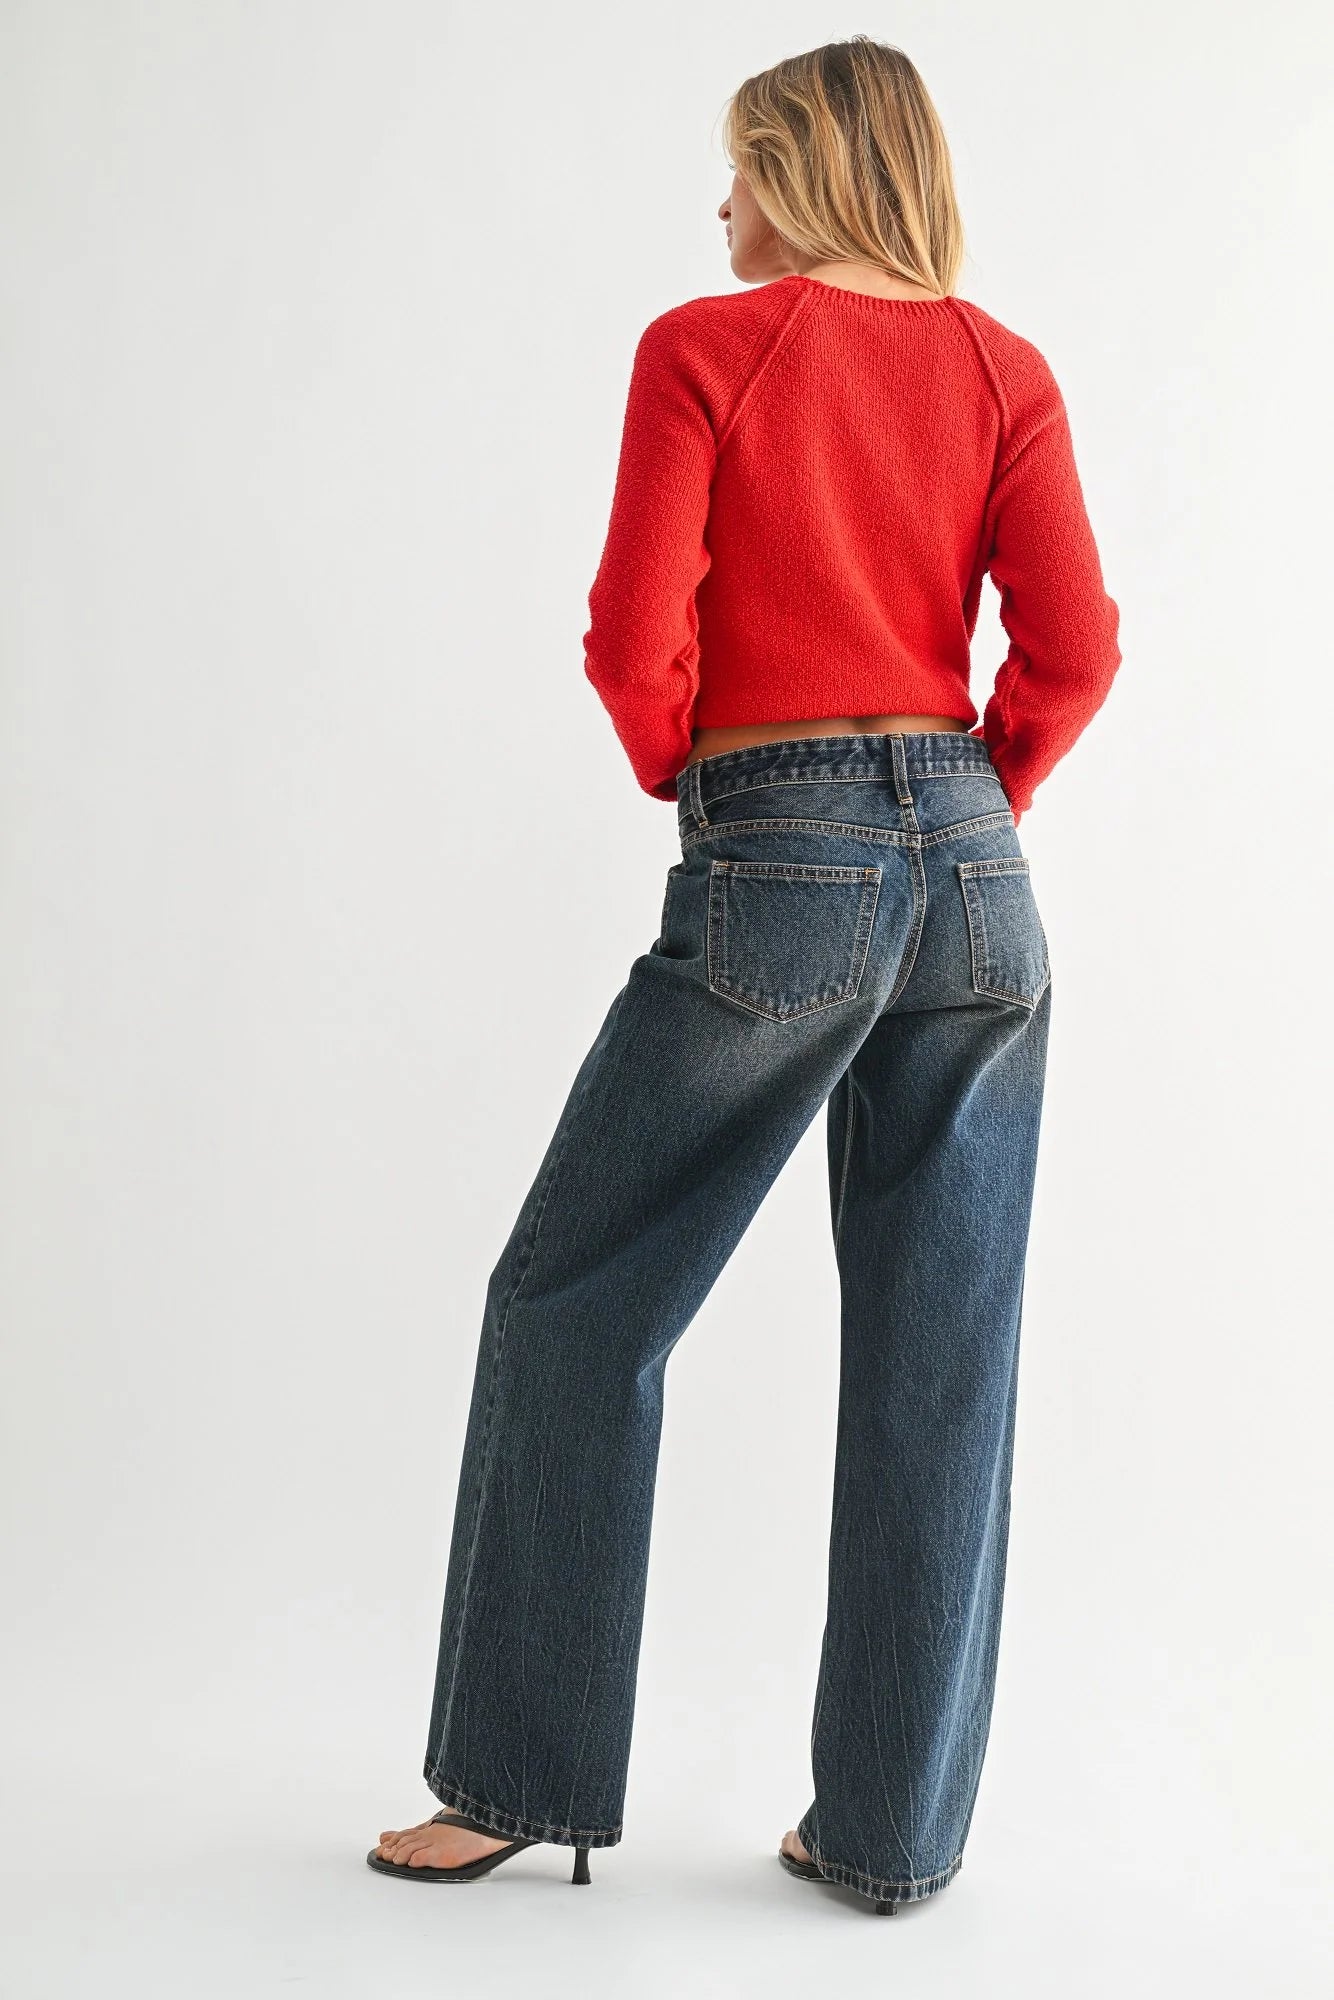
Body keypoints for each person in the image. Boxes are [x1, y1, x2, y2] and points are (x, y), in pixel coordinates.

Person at [369, 35, 1120, 1914]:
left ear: (796, 168)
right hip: (978, 874)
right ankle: (886, 1839)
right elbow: (1078, 643)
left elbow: (637, 636)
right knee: (945, 1366)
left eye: (737, 167)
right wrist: (968, 797)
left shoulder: (708, 350)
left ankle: (516, 1782)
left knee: (575, 1300)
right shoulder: (1001, 366)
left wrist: (707, 780)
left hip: (778, 842)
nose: (718, 205)